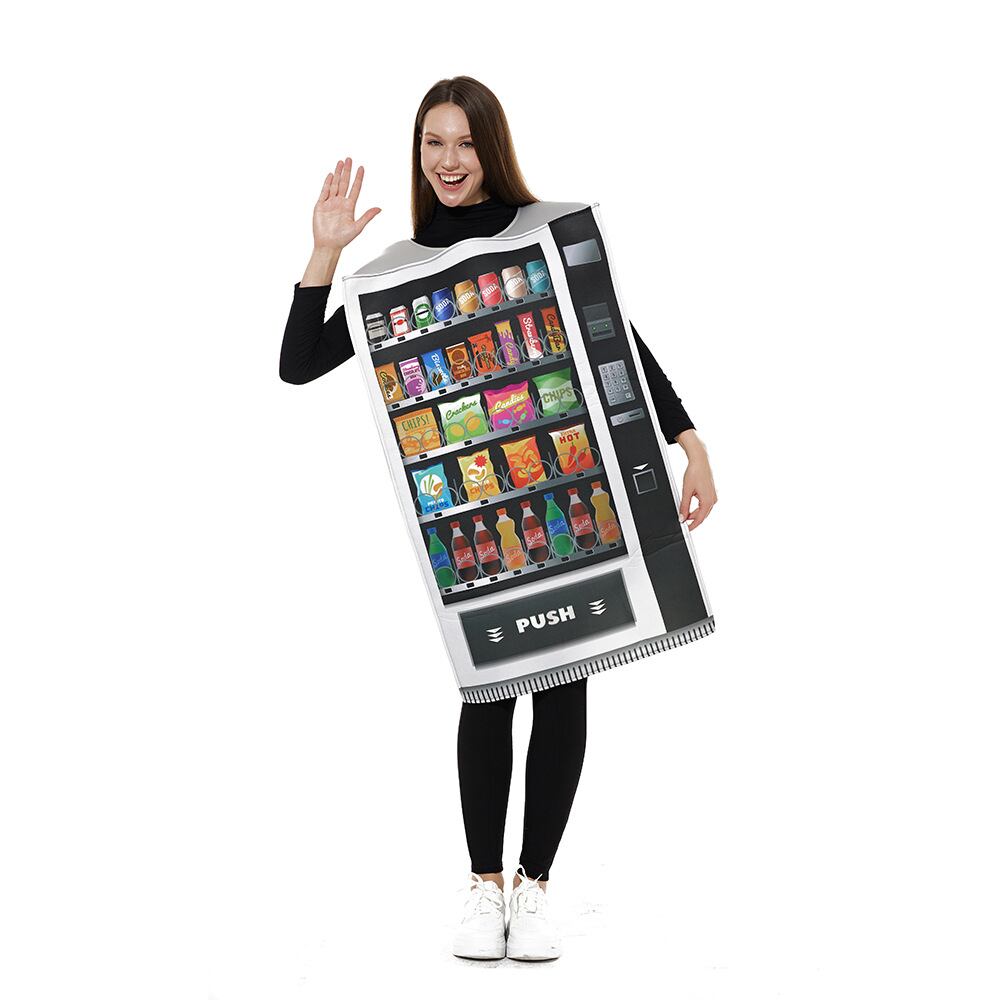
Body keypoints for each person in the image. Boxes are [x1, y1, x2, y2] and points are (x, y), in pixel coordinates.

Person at [279, 77, 718, 962]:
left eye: (465, 142)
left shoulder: (545, 234)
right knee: (485, 688)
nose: (448, 160)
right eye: (432, 142)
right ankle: (485, 889)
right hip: (471, 514)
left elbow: (618, 340)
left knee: (564, 683)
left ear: (492, 146)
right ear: (418, 153)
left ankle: (537, 887)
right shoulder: (395, 272)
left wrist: (689, 441)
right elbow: (298, 363)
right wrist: (324, 253)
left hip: (572, 491)